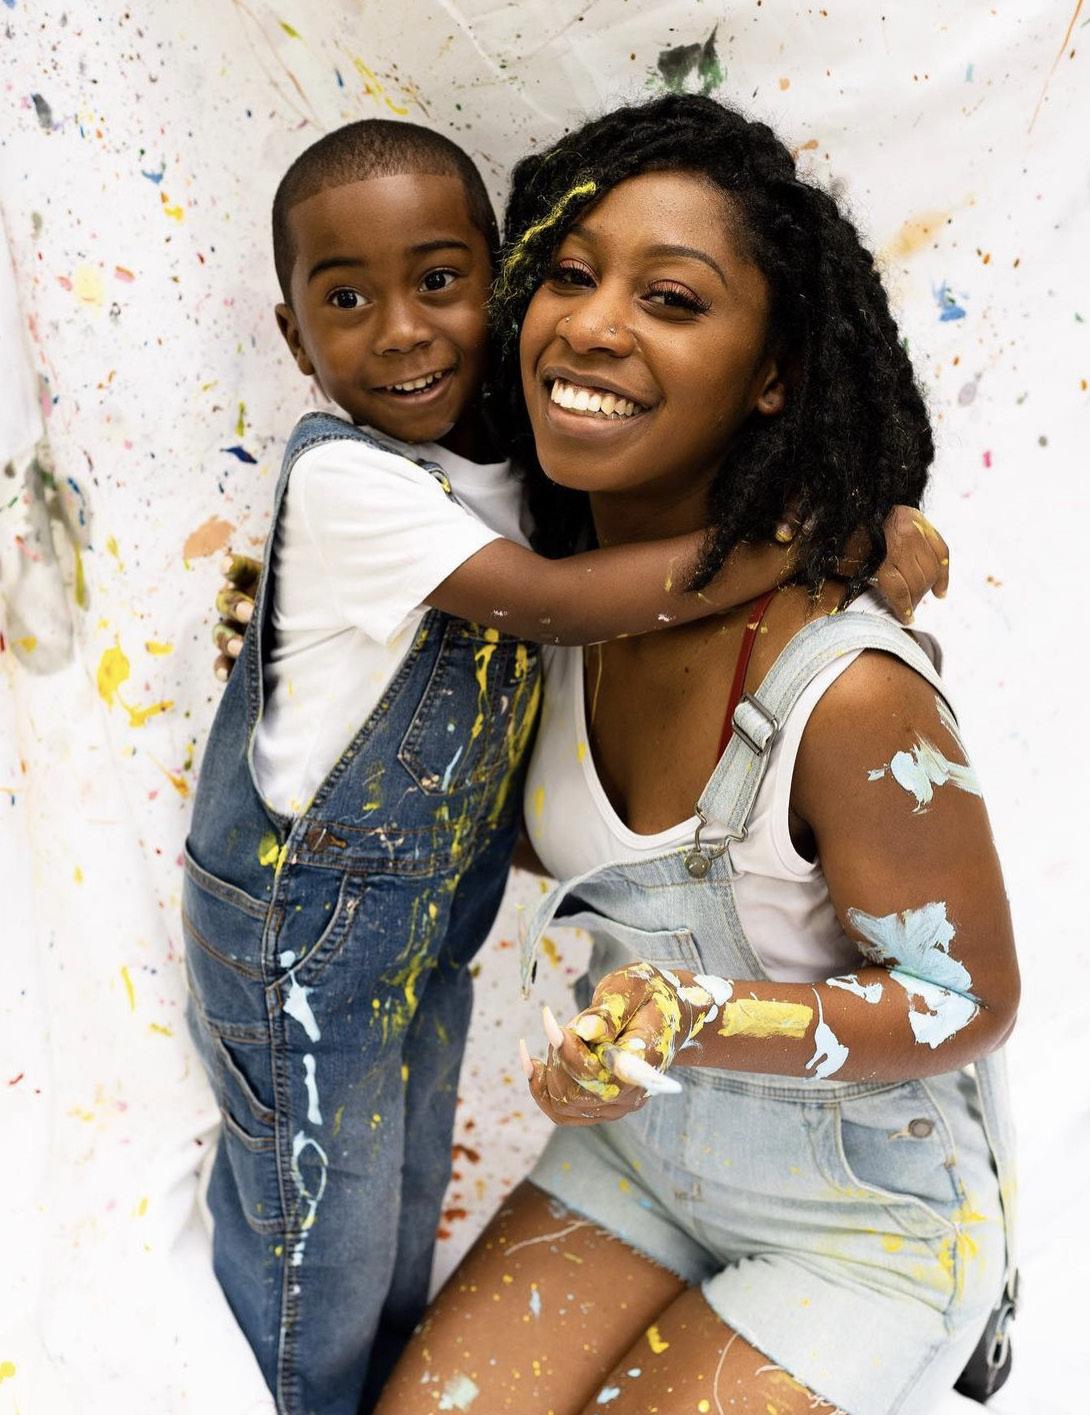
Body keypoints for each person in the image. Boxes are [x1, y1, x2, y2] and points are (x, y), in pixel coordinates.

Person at [185, 116, 891, 1415]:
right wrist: (809, 540)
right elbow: (554, 605)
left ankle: (355, 1386)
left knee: (396, 1207)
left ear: (496, 289)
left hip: (421, 934)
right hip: (299, 943)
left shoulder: (511, 466)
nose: (402, 332)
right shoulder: (347, 483)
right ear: (294, 338)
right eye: (347, 301)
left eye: (438, 281)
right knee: (314, 1253)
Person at [371, 94, 1018, 1415]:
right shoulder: (550, 602)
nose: (593, 325)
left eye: (669, 299)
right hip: (637, 1161)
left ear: (773, 372)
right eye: (568, 277)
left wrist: (693, 1014)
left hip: (864, 1230)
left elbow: (967, 1003)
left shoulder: (846, 692)